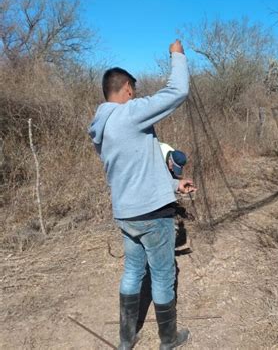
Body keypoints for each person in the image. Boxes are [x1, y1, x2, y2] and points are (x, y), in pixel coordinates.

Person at [88, 40, 195, 350]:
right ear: (128, 90)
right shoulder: (130, 114)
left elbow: (134, 170)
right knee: (162, 275)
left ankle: (126, 338)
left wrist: (174, 185)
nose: (134, 94)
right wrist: (177, 56)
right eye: (133, 90)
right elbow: (177, 92)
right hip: (152, 215)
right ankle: (168, 339)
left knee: (133, 271)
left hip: (126, 214)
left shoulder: (101, 128)